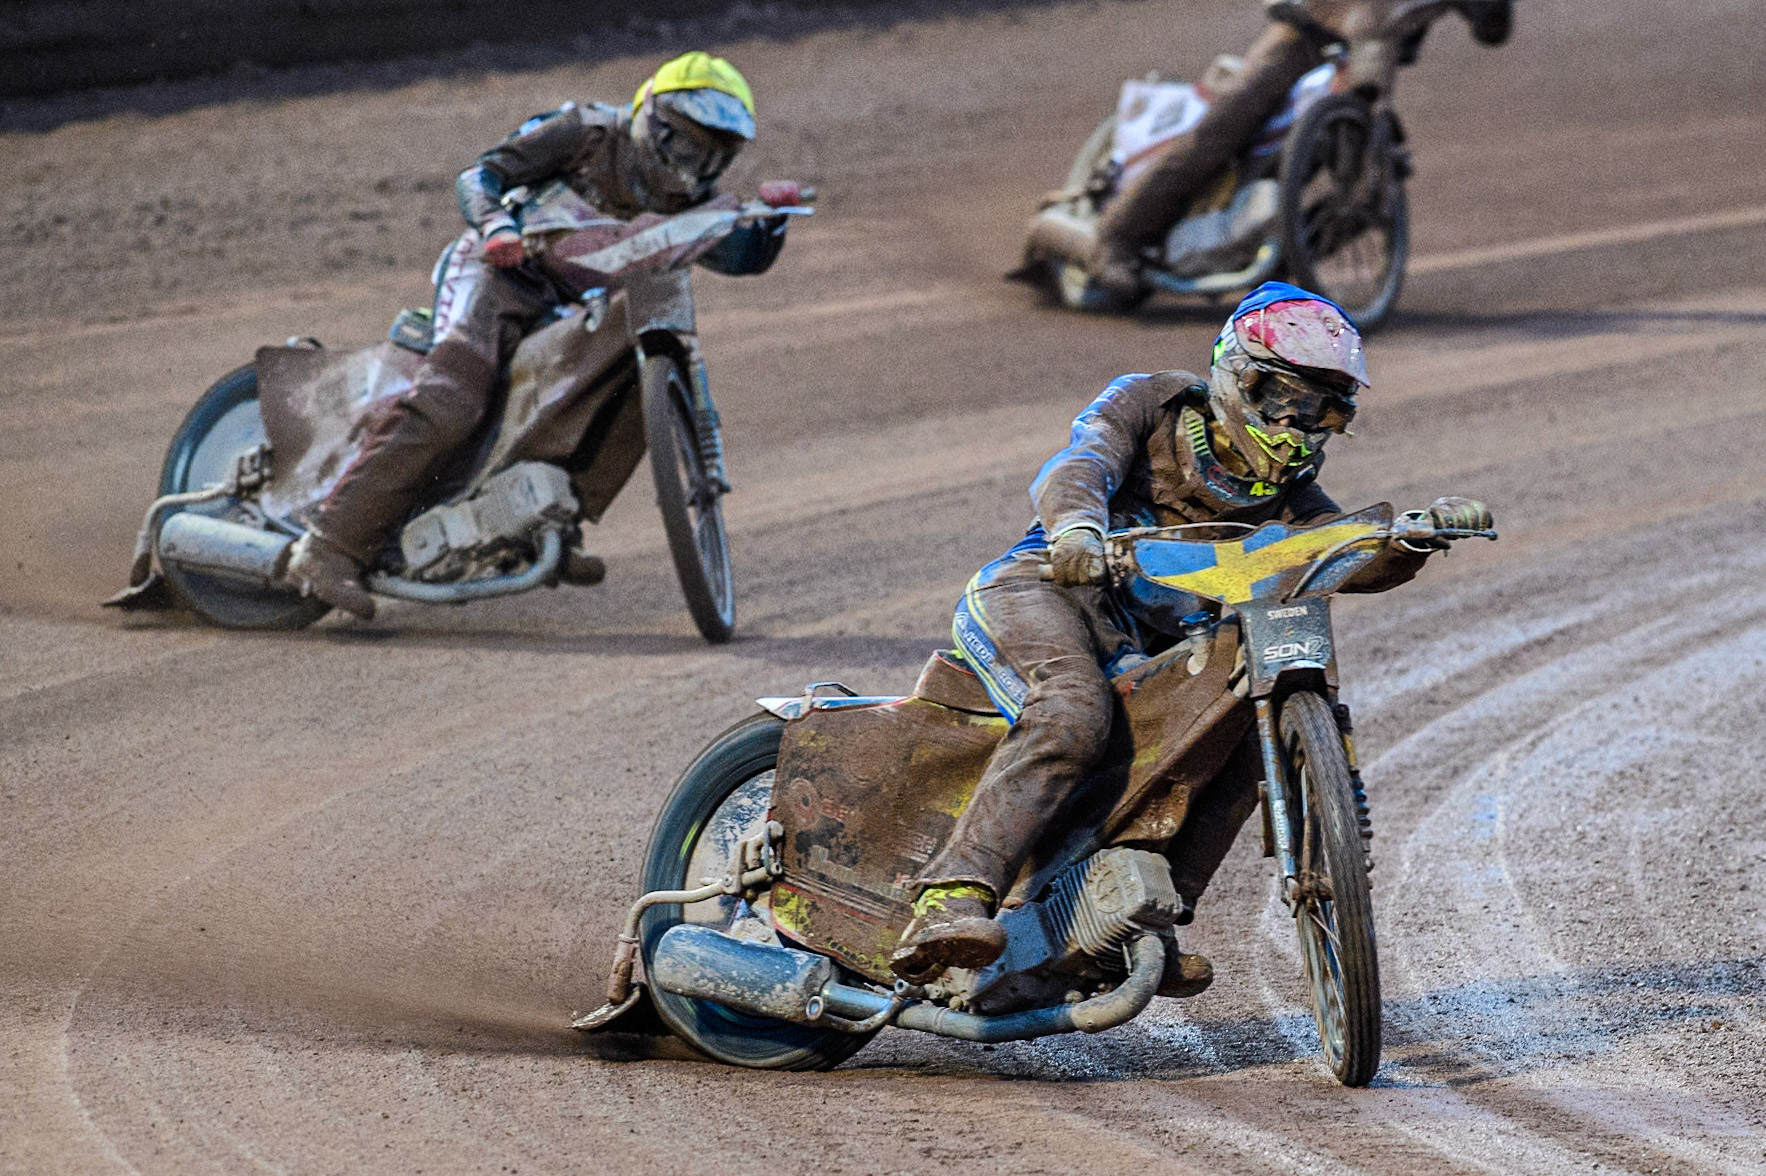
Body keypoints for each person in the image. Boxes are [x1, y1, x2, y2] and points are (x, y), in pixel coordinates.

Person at [891, 281, 1492, 980]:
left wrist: (1410, 538)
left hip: (1142, 647)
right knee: (1072, 713)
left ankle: (1148, 914)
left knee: (1236, 722)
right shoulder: (1151, 404)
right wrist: (1078, 528)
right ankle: (950, 897)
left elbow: (1336, 550)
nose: (1297, 427)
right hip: (1041, 593)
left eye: (1320, 410)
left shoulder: (1288, 496)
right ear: (1236, 376)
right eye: (1283, 401)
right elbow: (1080, 464)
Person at [285, 52, 782, 619]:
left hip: (571, 304)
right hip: (496, 275)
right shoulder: (586, 131)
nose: (693, 166)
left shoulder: (689, 199)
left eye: (714, 155)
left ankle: (550, 525)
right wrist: (496, 223)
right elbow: (481, 174)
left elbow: (743, 257)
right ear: (653, 117)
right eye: (687, 144)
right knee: (450, 402)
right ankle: (327, 547)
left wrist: (772, 220)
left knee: (626, 383)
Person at [1089, 0, 1514, 296]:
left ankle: (1278, 259)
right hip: (1302, 34)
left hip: (1370, 59)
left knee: (1371, 179)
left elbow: (1494, 28)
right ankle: (1116, 237)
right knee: (1221, 129)